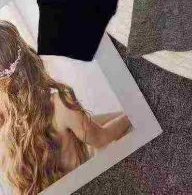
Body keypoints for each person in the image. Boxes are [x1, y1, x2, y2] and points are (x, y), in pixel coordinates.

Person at [0, 21, 132, 194]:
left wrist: (120, 114)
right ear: (28, 56)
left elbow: (84, 124)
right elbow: (101, 137)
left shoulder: (6, 127)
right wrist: (131, 114)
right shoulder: (61, 103)